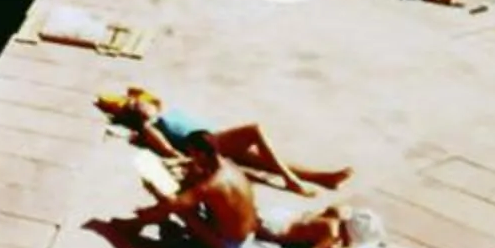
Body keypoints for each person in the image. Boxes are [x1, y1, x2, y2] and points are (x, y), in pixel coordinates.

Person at [99, 86, 352, 196]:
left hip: (214, 138)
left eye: (139, 101)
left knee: (265, 160)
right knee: (255, 130)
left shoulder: (162, 112)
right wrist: (188, 160)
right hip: (207, 144)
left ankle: (324, 178)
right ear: (134, 115)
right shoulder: (150, 127)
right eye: (134, 106)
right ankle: (291, 180)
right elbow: (168, 152)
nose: (139, 104)